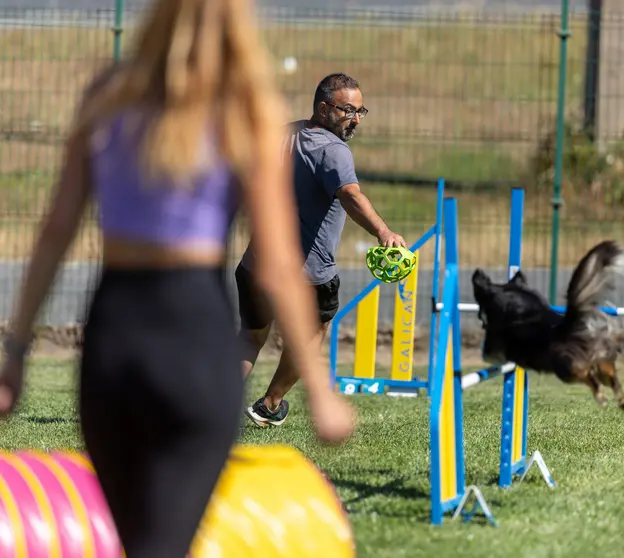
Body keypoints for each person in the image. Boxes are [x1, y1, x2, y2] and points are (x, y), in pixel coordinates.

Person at [0, 0, 355, 556]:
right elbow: (283, 265)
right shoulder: (247, 106)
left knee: (132, 535)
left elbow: (54, 235)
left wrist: (16, 352)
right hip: (194, 340)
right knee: (169, 540)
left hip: (116, 338)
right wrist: (319, 392)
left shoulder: (108, 93)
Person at [236, 73, 406, 427]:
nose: (356, 119)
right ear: (325, 108)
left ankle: (214, 405)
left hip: (257, 265)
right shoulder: (333, 151)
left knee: (251, 337)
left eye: (361, 111)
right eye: (348, 110)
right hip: (309, 275)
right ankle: (270, 404)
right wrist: (383, 231)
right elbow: (351, 196)